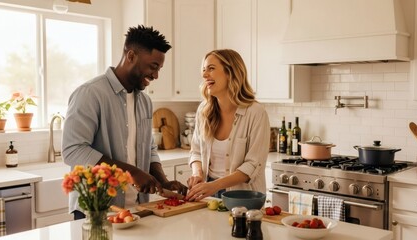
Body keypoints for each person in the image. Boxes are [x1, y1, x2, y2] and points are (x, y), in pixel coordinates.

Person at [62, 25, 187, 219]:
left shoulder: (145, 101)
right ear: (131, 56)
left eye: (159, 69)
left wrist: (162, 181)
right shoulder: (90, 94)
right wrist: (132, 173)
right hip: (97, 210)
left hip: (137, 208)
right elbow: (73, 150)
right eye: (153, 67)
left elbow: (149, 148)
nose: (156, 75)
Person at [185, 49, 270, 202]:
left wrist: (216, 186)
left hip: (244, 199)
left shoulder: (256, 113)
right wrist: (198, 174)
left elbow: (252, 165)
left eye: (211, 69)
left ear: (231, 73)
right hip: (208, 195)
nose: (204, 75)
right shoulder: (203, 111)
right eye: (204, 70)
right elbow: (196, 151)